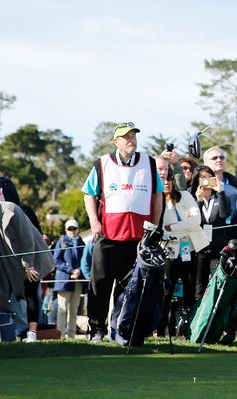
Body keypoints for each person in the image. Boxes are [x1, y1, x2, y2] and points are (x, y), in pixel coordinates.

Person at [82, 122, 164, 342]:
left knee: (129, 288)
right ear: (115, 141)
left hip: (138, 238)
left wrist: (154, 226)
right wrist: (94, 221)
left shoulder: (148, 163)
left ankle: (120, 330)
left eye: (133, 136)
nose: (131, 140)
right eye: (126, 137)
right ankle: (96, 330)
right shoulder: (102, 164)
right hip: (108, 236)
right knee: (100, 286)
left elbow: (158, 195)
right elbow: (89, 194)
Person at [158, 166, 207, 336]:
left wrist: (174, 227)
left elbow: (196, 220)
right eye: (163, 179)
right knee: (166, 290)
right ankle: (160, 330)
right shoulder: (157, 200)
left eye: (169, 178)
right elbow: (162, 230)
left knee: (190, 289)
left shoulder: (185, 196)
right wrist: (178, 228)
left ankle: (189, 329)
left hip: (190, 247)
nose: (167, 182)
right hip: (170, 249)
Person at [1, 201, 53, 342]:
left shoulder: (12, 209)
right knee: (6, 295)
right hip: (11, 264)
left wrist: (28, 265)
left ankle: (32, 333)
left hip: (33, 257)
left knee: (30, 292)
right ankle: (10, 334)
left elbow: (27, 239)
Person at [189, 165, 232, 300]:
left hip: (217, 248)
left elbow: (225, 214)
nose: (206, 181)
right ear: (197, 180)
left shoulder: (220, 197)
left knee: (218, 283)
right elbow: (194, 220)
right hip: (198, 249)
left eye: (209, 177)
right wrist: (199, 201)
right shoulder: (191, 197)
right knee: (198, 286)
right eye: (203, 178)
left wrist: (220, 192)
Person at [53, 219, 86, 339]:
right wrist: (71, 270)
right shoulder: (61, 242)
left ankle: (71, 335)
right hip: (64, 280)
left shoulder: (81, 242)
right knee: (62, 309)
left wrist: (79, 271)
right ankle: (60, 335)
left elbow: (85, 260)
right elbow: (56, 260)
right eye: (69, 229)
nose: (72, 231)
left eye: (74, 228)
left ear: (78, 229)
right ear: (66, 230)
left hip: (77, 280)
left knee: (73, 310)